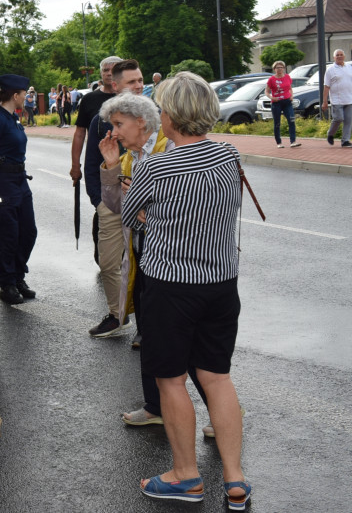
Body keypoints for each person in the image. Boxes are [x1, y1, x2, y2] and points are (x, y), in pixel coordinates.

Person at [122, 73, 250, 510]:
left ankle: (185, 476)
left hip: (170, 286)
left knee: (171, 380)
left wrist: (150, 221)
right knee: (217, 377)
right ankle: (235, 479)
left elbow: (129, 216)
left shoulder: (155, 166)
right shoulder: (229, 155)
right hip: (221, 282)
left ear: (171, 114)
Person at [85, 59, 142, 338]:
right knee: (108, 263)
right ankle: (117, 315)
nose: (138, 86)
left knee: (146, 266)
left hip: (146, 205)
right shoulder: (101, 119)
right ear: (115, 85)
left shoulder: (154, 116)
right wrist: (98, 199)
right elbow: (92, 162)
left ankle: (147, 324)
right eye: (132, 82)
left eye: (140, 80)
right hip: (112, 202)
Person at [0, 74, 38, 304]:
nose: (26, 97)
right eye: (24, 94)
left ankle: (18, 275)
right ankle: (7, 283)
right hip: (4, 183)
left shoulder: (13, 118)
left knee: (28, 231)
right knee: (9, 234)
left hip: (20, 181)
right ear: (15, 95)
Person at [70, 56, 124, 183]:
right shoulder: (89, 99)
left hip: (126, 163)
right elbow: (80, 133)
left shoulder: (129, 98)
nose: (109, 73)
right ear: (101, 73)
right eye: (106, 70)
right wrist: (75, 165)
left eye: (114, 70)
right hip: (97, 162)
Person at [266, 61, 300, 149]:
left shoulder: (287, 77)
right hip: (277, 103)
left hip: (287, 102)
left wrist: (291, 95)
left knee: (291, 120)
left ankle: (293, 141)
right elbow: (267, 91)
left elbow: (290, 88)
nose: (280, 69)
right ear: (274, 69)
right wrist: (271, 97)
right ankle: (279, 142)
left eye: (281, 67)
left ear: (284, 68)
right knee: (277, 123)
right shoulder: (271, 79)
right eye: (277, 68)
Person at [322, 48, 352, 147]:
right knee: (338, 118)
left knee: (348, 121)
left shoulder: (349, 67)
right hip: (337, 99)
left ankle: (345, 141)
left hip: (349, 98)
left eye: (341, 55)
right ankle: (330, 134)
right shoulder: (330, 69)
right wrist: (325, 101)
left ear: (344, 56)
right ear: (334, 57)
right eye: (337, 55)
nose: (339, 56)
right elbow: (326, 86)